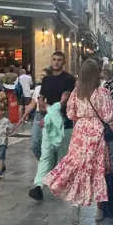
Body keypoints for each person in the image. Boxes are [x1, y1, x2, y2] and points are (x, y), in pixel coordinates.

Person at [44, 59, 113, 224]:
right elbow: (110, 117)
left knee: (78, 167)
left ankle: (76, 202)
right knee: (98, 170)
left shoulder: (77, 93)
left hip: (80, 132)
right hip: (96, 133)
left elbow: (71, 114)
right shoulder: (102, 92)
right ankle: (99, 210)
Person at [29, 51, 76, 201]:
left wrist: (51, 108)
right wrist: (42, 105)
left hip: (64, 123)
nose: (56, 62)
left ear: (64, 62)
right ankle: (38, 186)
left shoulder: (69, 79)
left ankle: (62, 184)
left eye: (59, 60)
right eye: (54, 59)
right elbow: (41, 97)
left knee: (63, 155)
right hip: (48, 122)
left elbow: (65, 99)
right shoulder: (46, 79)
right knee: (45, 155)